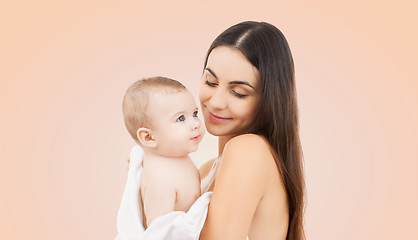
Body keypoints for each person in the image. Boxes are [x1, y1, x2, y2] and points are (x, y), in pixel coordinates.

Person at [198, 21, 305, 240]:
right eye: (210, 82)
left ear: (269, 100)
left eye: (238, 93)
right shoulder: (205, 170)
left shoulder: (249, 150)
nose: (216, 102)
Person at [119, 76, 205, 233]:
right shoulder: (159, 178)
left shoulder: (175, 156)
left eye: (194, 113)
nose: (196, 124)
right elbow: (161, 232)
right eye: (181, 118)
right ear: (149, 137)